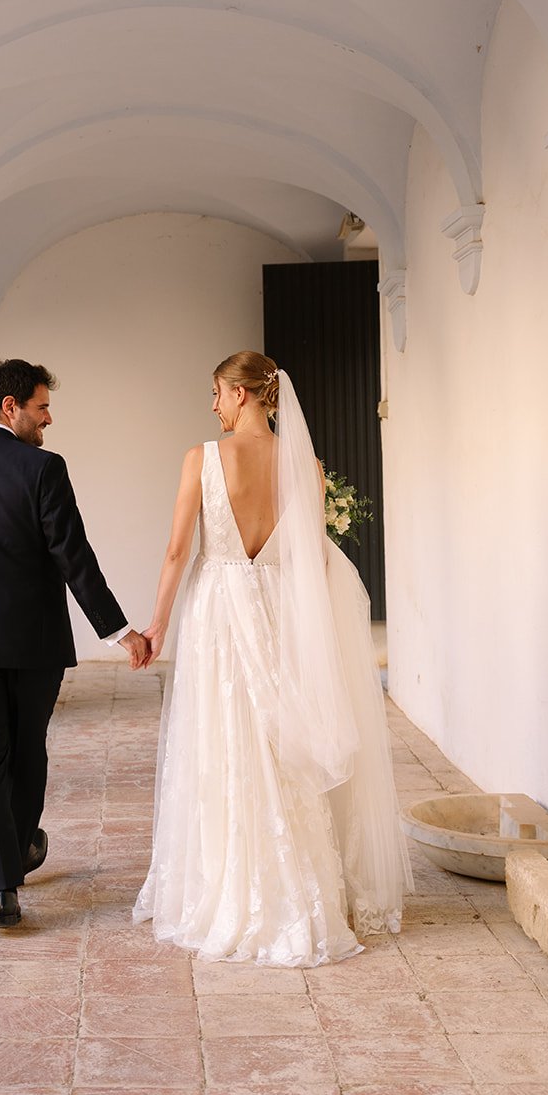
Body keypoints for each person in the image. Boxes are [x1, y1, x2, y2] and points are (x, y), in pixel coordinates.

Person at [134, 350, 412, 966]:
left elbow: (178, 552)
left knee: (226, 738)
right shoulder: (304, 465)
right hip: (280, 608)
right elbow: (314, 563)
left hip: (220, 610)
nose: (212, 405)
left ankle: (233, 886)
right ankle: (300, 888)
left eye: (216, 392)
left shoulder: (202, 458)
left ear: (242, 395)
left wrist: (157, 626)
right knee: (280, 739)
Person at [0, 358, 147, 929]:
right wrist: (119, 630)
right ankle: (17, 848)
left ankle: (2, 889)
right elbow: (72, 553)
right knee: (25, 749)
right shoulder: (43, 468)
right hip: (33, 640)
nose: (49, 419)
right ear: (10, 406)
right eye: (42, 407)